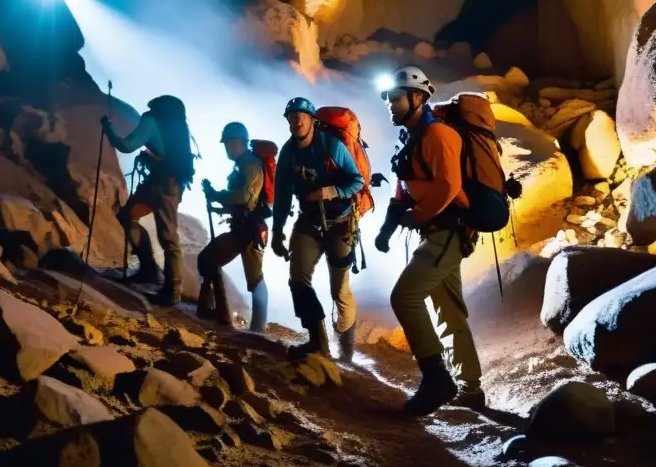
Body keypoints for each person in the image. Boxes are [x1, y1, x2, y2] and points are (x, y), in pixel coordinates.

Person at [375, 65, 485, 415]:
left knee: (405, 297)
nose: (390, 105)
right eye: (388, 100)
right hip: (437, 231)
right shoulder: (413, 136)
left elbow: (449, 186)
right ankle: (471, 387)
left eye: (396, 99)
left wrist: (417, 216)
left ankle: (437, 379)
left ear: (418, 97)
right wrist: (389, 228)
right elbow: (408, 185)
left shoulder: (438, 135)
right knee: (448, 310)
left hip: (448, 231)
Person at [272, 97, 364, 362]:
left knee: (339, 290)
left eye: (302, 116)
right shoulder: (288, 152)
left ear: (312, 120)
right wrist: (277, 231)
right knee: (298, 278)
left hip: (340, 223)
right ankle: (318, 341)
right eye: (291, 117)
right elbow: (282, 196)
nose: (297, 121)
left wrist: (327, 191)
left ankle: (346, 346)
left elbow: (356, 180)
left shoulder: (331, 146)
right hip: (309, 222)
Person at [103, 94, 195, 306]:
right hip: (172, 183)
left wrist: (109, 129)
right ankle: (152, 273)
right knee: (152, 226)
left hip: (160, 183)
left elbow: (126, 145)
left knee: (163, 233)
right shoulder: (178, 125)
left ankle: (170, 289)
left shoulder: (151, 119)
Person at [197, 121, 270, 331]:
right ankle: (219, 313)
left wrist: (217, 196)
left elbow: (245, 198)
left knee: (254, 279)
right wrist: (219, 203)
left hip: (251, 231)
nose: (226, 148)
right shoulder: (242, 164)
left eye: (228, 143)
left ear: (239, 142)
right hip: (242, 228)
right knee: (208, 260)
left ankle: (256, 328)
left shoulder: (250, 165)